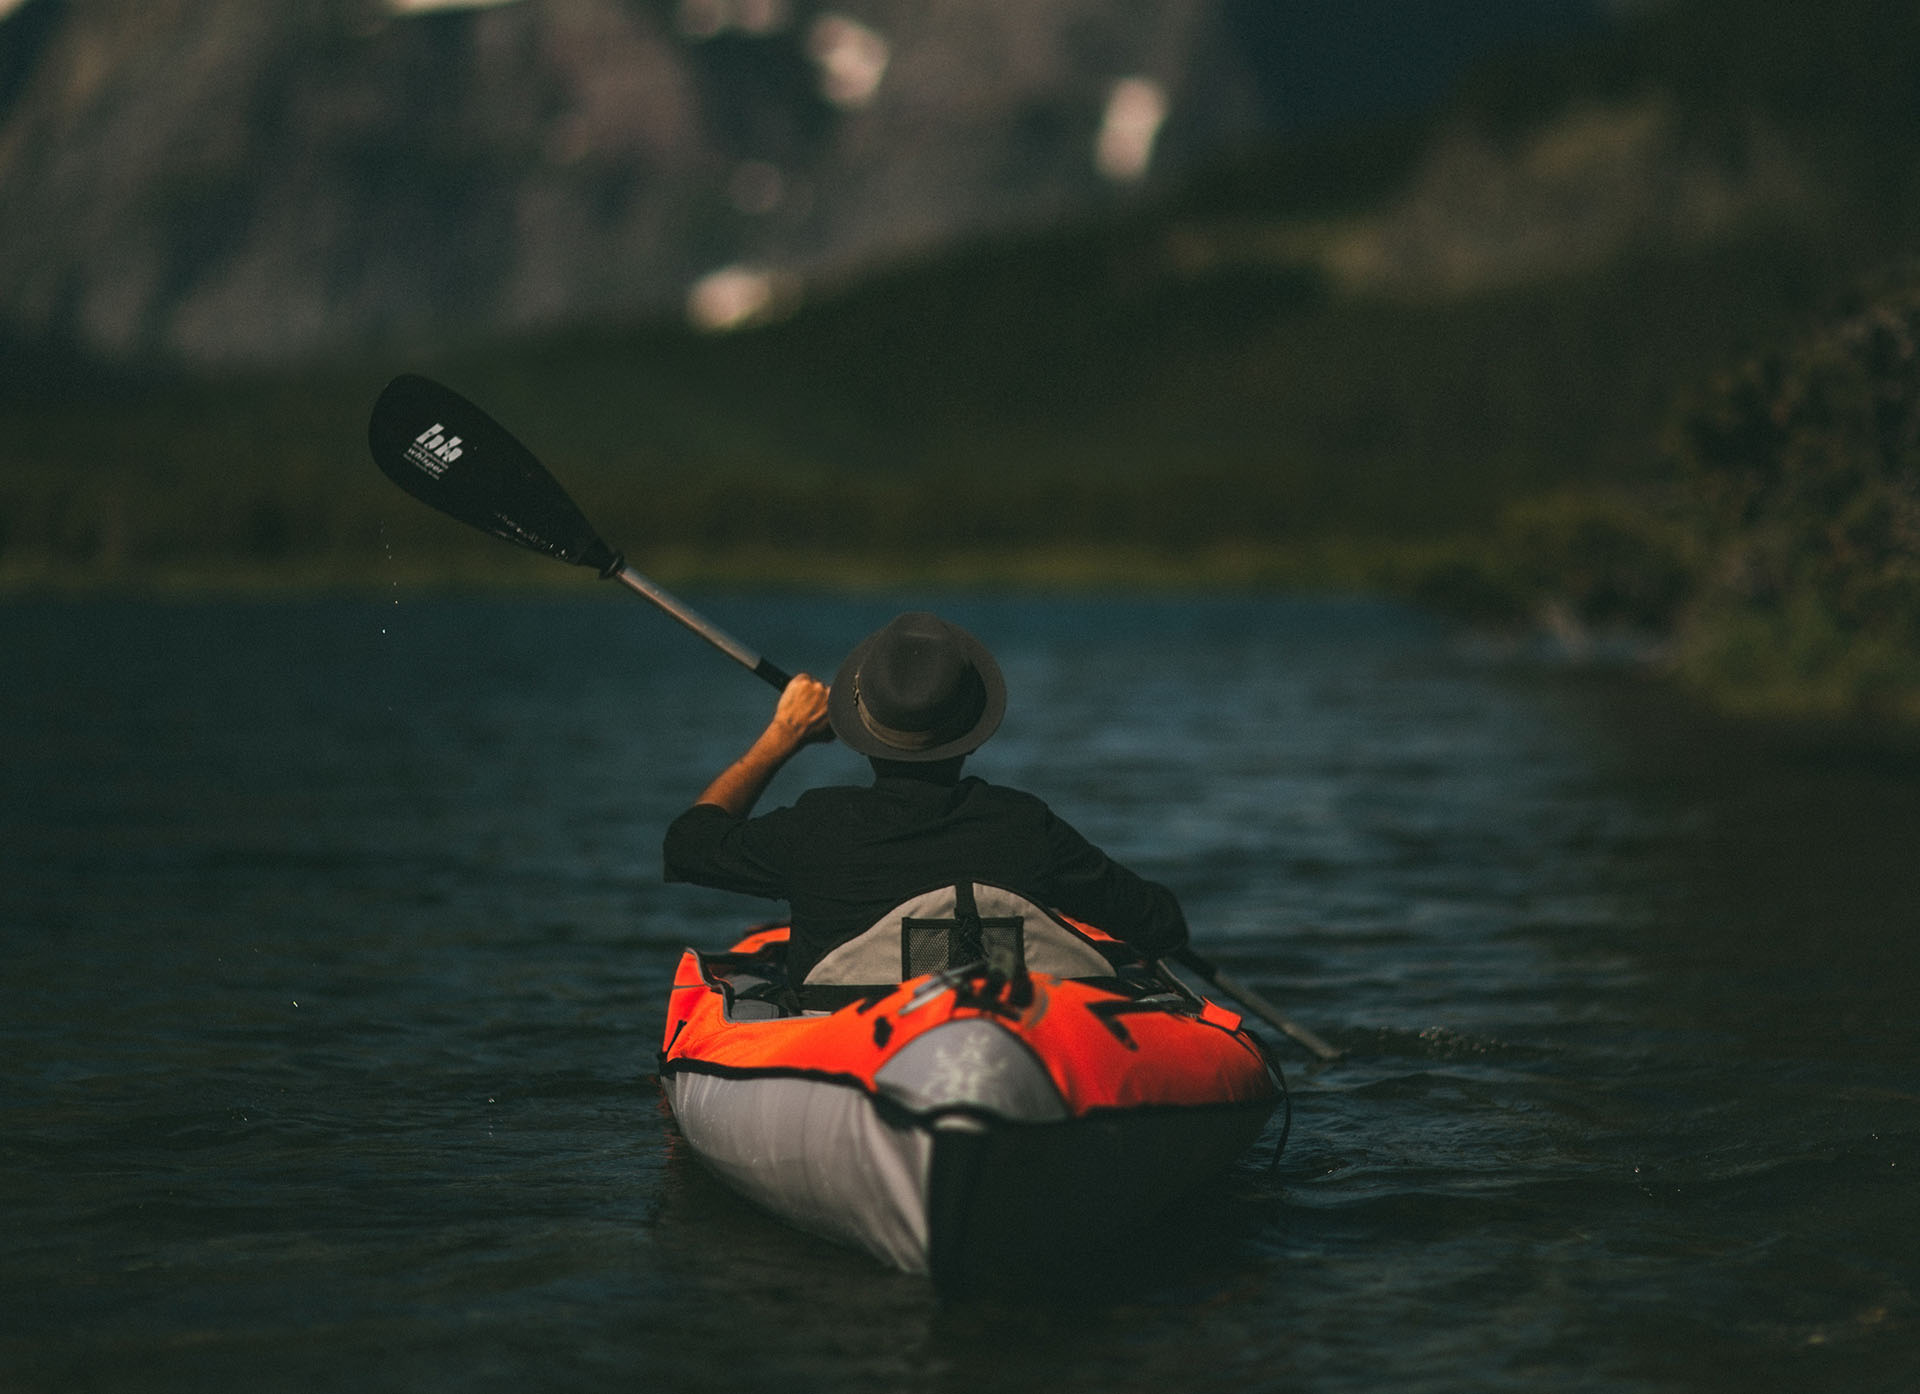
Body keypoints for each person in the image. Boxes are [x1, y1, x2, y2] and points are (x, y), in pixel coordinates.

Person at [663, 611, 1190, 982]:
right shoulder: (1023, 826)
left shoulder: (817, 827)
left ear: (860, 732)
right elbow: (1160, 923)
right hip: (1006, 1056)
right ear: (972, 731)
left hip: (845, 1055)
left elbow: (687, 845)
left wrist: (784, 736)